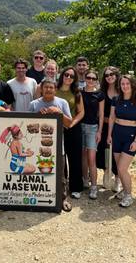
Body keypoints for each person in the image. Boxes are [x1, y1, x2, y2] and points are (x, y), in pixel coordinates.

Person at [29, 78, 73, 212]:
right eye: (46, 87)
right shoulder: (34, 104)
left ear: (55, 89)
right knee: (37, 171)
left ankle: (63, 198)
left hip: (57, 145)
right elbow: (27, 126)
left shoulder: (62, 103)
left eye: (51, 87)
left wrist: (59, 113)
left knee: (60, 173)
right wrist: (37, 116)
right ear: (41, 89)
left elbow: (69, 124)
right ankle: (36, 197)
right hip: (37, 145)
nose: (48, 89)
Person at [107, 74, 136, 207]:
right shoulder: (116, 99)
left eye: (127, 84)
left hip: (131, 137)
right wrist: (109, 135)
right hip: (117, 135)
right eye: (122, 84)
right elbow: (112, 118)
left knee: (122, 168)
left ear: (133, 85)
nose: (124, 86)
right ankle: (124, 190)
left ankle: (129, 196)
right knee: (119, 168)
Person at [56, 67, 85, 199]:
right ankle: (61, 186)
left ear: (74, 79)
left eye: (71, 76)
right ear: (62, 75)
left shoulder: (76, 93)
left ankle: (76, 188)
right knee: (59, 159)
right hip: (55, 129)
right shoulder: (54, 90)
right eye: (66, 74)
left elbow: (81, 112)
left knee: (74, 159)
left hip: (72, 128)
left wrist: (72, 123)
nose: (68, 77)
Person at [80, 69, 104, 199]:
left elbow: (101, 115)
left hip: (92, 128)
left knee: (91, 158)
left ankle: (94, 186)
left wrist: (99, 131)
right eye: (88, 78)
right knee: (82, 156)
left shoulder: (100, 95)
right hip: (80, 127)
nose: (90, 80)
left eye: (93, 79)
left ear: (96, 81)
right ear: (85, 78)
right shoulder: (80, 93)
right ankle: (85, 180)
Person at [97, 66, 121, 191]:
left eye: (112, 74)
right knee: (104, 153)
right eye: (106, 75)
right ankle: (107, 175)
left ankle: (118, 179)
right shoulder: (101, 92)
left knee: (118, 154)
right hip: (105, 127)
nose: (109, 77)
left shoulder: (123, 90)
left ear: (116, 75)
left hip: (120, 128)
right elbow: (99, 113)